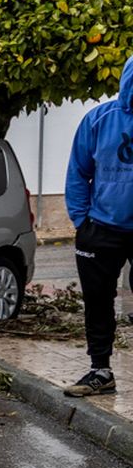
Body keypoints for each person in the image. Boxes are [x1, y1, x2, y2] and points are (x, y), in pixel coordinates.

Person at [63, 55, 133, 400]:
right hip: (102, 227)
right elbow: (78, 170)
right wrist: (81, 220)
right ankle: (100, 371)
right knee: (98, 300)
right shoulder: (99, 119)